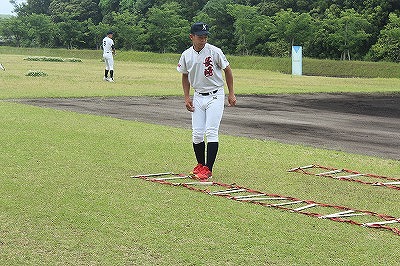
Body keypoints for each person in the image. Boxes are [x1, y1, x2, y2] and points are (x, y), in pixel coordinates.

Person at [177, 22, 237, 180]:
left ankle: (208, 169)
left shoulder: (215, 51)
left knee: (211, 132)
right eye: (200, 36)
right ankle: (200, 165)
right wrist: (186, 97)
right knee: (197, 134)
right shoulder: (186, 55)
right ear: (192, 37)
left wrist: (231, 93)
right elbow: (184, 75)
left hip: (215, 95)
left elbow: (228, 70)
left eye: (205, 36)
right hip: (198, 96)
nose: (203, 39)